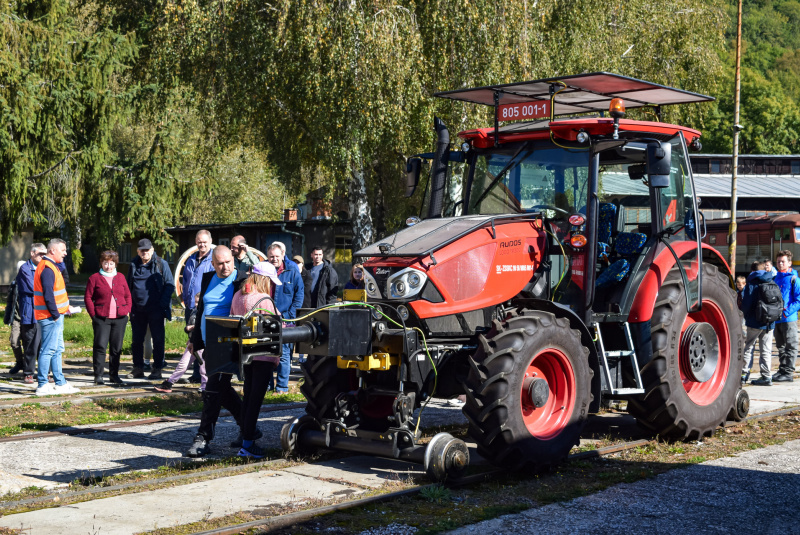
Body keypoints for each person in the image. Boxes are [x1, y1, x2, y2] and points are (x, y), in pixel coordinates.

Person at [186, 246, 245, 457]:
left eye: (228, 262)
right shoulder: (208, 278)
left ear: (233, 260)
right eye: (220, 263)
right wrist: (195, 339)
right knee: (223, 389)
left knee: (212, 390)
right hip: (210, 343)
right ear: (213, 264)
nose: (225, 266)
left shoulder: (243, 280)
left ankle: (203, 437)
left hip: (230, 344)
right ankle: (248, 427)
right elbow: (202, 308)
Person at [229, 261, 282, 458]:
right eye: (271, 281)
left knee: (248, 396)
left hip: (246, 355)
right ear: (264, 279)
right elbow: (275, 329)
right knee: (255, 401)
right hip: (263, 356)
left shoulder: (238, 295)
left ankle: (245, 437)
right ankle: (248, 444)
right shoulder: (264, 299)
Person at [33, 238, 78, 396]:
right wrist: (55, 315)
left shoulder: (52, 266)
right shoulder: (47, 268)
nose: (65, 253)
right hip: (50, 317)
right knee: (48, 349)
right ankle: (42, 384)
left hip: (55, 315)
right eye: (63, 250)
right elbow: (48, 295)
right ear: (53, 251)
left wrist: (66, 308)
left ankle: (60, 382)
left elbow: (57, 294)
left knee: (57, 349)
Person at [126, 238, 174, 380]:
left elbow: (170, 284)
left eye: (147, 250)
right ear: (138, 251)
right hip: (137, 309)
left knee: (158, 340)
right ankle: (138, 368)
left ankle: (157, 368)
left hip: (156, 309)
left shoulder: (161, 264)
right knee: (136, 340)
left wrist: (162, 304)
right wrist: (130, 306)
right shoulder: (133, 264)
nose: (145, 253)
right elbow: (129, 285)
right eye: (142, 250)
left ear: (152, 250)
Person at [85, 251, 132, 385]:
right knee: (100, 346)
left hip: (120, 318)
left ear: (115, 264)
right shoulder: (94, 278)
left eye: (111, 263)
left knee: (116, 348)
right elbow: (88, 297)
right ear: (101, 263)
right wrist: (93, 315)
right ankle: (98, 375)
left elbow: (128, 295)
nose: (109, 266)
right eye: (106, 263)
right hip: (101, 318)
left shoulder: (121, 277)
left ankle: (114, 375)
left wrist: (127, 310)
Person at [266, 243, 304, 392]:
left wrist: (288, 317)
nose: (274, 259)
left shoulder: (292, 272)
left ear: (283, 255)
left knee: (284, 355)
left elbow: (298, 296)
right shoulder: (264, 272)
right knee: (266, 354)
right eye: (271, 257)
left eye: (277, 256)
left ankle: (281, 387)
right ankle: (267, 386)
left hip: (286, 319)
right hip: (267, 318)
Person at [155, 295, 207, 393]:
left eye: (198, 302)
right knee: (183, 364)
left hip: (200, 343)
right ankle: (169, 382)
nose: (196, 305)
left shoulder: (205, 313)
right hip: (191, 342)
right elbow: (188, 326)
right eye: (195, 302)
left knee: (203, 366)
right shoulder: (194, 312)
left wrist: (194, 328)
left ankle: (205, 385)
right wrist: (188, 329)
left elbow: (202, 328)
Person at [182, 230, 215, 384]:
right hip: (191, 306)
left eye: (204, 242)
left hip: (205, 307)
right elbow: (186, 280)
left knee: (203, 342)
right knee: (192, 341)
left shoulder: (214, 259)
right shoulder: (190, 260)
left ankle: (205, 376)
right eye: (199, 242)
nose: (202, 244)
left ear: (210, 241)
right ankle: (196, 374)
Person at [740, 261, 777, 385]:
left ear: (752, 271)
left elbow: (746, 303)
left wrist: (745, 315)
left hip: (754, 322)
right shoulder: (771, 280)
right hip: (769, 322)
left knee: (749, 347)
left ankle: (744, 373)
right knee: (766, 349)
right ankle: (766, 377)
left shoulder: (752, 282)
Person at [16, 244, 45, 385]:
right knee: (30, 345)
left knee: (43, 345)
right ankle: (28, 373)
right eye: (40, 253)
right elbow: (33, 287)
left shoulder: (45, 267)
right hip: (30, 313)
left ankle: (44, 373)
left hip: (44, 313)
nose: (42, 256)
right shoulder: (25, 269)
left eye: (45, 253)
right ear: (32, 253)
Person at [772, 250, 800, 382]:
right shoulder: (775, 278)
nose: (780, 263)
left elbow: (799, 299)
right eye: (778, 261)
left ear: (789, 262)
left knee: (791, 345)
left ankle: (788, 372)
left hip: (789, 319)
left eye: (783, 261)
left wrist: (786, 312)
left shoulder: (794, 279)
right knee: (780, 346)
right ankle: (783, 369)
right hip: (777, 320)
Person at [5, 261, 25, 375]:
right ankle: (19, 362)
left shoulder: (32, 280)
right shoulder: (14, 283)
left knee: (28, 344)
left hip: (29, 318)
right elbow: (9, 301)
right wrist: (7, 317)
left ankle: (28, 366)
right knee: (14, 341)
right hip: (17, 318)